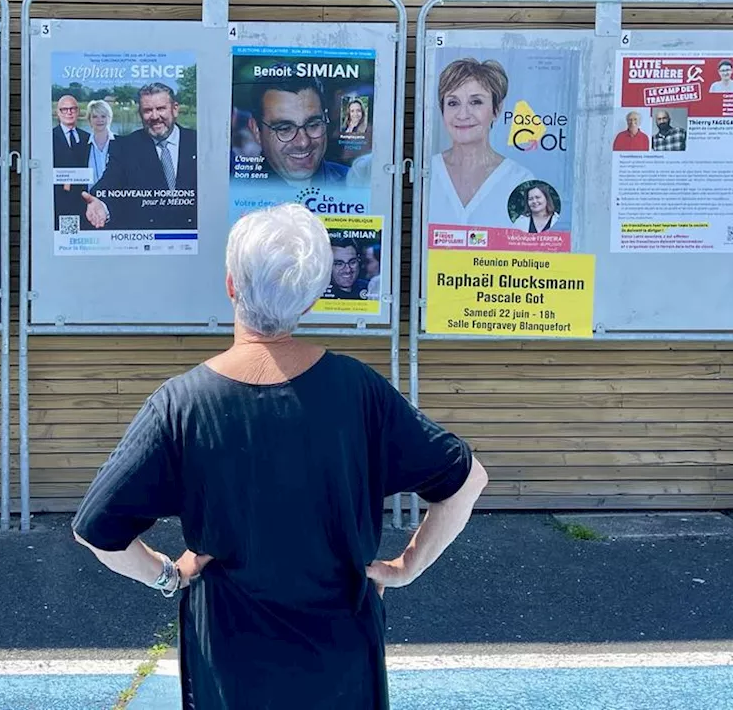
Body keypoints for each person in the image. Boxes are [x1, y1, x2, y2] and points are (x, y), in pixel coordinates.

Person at [73, 204, 487, 710]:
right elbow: (466, 481)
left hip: (230, 668)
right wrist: (405, 567)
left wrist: (167, 573)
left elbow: (97, 528)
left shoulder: (182, 405)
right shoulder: (360, 392)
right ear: (310, 299)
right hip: (343, 663)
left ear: (230, 285)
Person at [427, 58, 532, 228]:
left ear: (496, 109)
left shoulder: (520, 180)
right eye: (453, 103)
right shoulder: (425, 173)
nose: (463, 114)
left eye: (475, 102)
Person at [82, 82, 197, 230]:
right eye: (148, 110)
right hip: (148, 241)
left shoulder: (198, 143)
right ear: (140, 114)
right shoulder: (125, 147)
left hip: (195, 241)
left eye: (161, 108)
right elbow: (108, 185)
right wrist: (101, 205)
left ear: (175, 109)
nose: (155, 116)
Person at [246, 77, 347, 186]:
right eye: (285, 129)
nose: (303, 142)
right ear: (256, 130)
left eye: (313, 125)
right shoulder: (236, 191)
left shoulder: (355, 181)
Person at [51, 94, 91, 228]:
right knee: (66, 237)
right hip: (60, 199)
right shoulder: (49, 137)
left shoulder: (87, 138)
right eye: (64, 109)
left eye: (73, 109)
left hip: (84, 198)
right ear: (58, 112)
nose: (69, 112)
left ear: (78, 111)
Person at [326, 236, 370, 300]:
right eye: (339, 264)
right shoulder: (317, 293)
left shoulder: (371, 288)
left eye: (352, 262)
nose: (348, 270)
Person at [84, 99, 114, 188]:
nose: (99, 120)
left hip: (115, 199)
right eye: (95, 116)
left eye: (103, 116)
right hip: (89, 199)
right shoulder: (82, 146)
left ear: (109, 118)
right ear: (89, 120)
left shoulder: (121, 145)